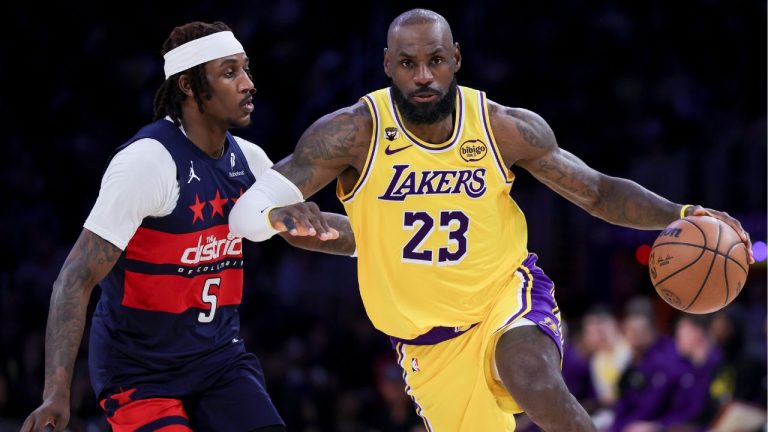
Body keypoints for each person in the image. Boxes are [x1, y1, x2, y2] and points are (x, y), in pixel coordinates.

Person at [229, 8, 754, 431]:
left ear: (456, 58)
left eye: (436, 59)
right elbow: (258, 212)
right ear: (387, 64)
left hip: (506, 295)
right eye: (408, 63)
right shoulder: (350, 134)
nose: (424, 75)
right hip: (428, 348)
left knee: (531, 375)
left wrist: (682, 213)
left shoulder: (501, 127)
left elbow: (596, 190)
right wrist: (282, 216)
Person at [21, 21, 353, 432]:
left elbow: (307, 229)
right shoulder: (147, 162)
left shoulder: (249, 159)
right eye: (230, 72)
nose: (249, 83)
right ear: (190, 87)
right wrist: (56, 392)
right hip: (140, 373)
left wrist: (389, 239)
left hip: (219, 361)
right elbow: (75, 277)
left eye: (246, 69)